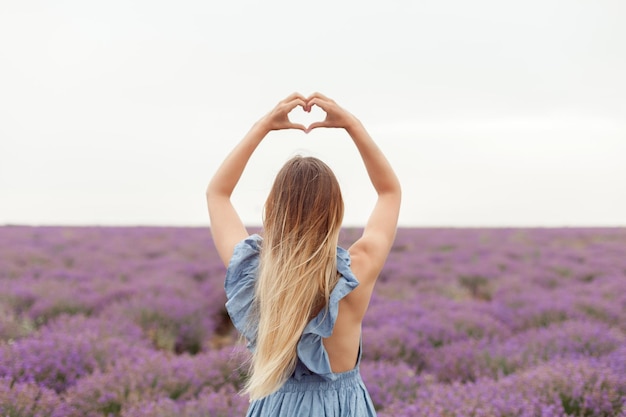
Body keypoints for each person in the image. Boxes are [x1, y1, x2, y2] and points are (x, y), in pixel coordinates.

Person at [206, 92, 401, 416]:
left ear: (271, 209)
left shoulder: (254, 274)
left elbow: (217, 193)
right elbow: (389, 192)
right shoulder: (356, 270)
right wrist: (352, 125)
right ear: (336, 211)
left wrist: (263, 126)